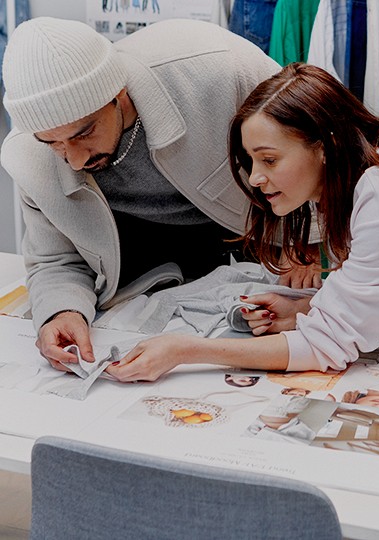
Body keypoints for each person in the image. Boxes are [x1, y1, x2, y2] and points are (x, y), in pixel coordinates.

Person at [2, 16, 316, 370]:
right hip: (135, 266)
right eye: (53, 144)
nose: (74, 160)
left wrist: (307, 239)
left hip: (254, 231)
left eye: (83, 133)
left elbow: (314, 152)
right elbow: (55, 259)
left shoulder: (218, 69)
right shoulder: (29, 157)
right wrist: (59, 312)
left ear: (118, 96)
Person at [103, 62, 379, 383]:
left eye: (270, 159)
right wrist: (305, 308)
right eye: (252, 160)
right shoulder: (353, 189)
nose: (256, 178)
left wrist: (186, 350)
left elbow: (327, 345)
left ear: (326, 146)